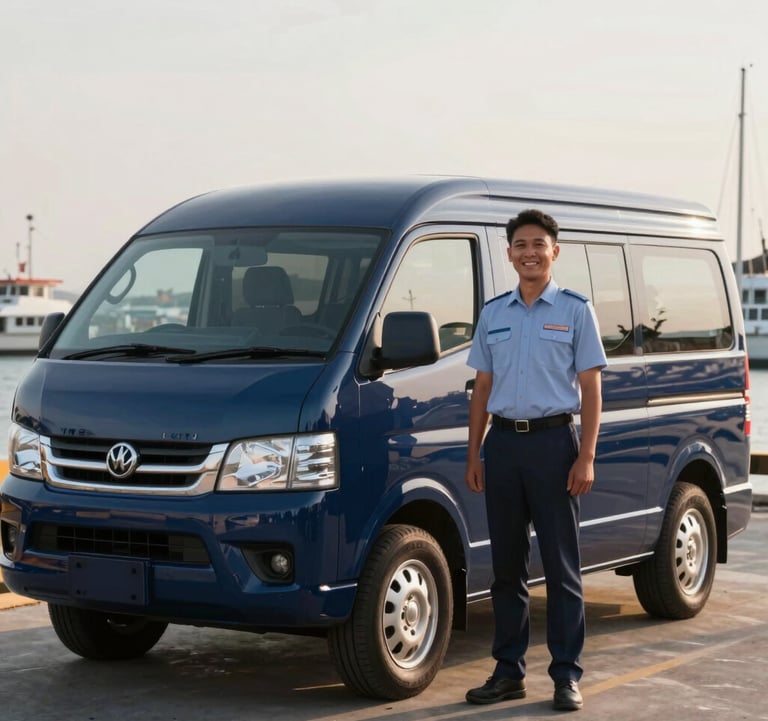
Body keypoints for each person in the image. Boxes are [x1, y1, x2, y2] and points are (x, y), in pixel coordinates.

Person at [464, 208, 607, 712]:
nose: (530, 252)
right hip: (503, 446)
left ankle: (566, 675)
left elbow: (592, 388)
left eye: (538, 244)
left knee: (562, 566)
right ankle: (508, 672)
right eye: (521, 245)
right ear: (509, 254)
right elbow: (482, 388)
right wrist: (475, 453)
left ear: (554, 252)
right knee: (506, 568)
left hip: (554, 446)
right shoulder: (493, 314)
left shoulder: (575, 310)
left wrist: (586, 456)